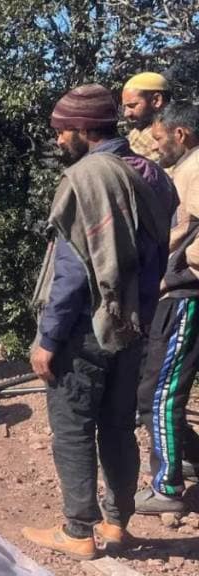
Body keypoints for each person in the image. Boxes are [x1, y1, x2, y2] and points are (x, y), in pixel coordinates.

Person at [22, 84, 169, 560]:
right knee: (118, 427)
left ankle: (77, 530)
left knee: (73, 426)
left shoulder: (87, 178)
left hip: (86, 326)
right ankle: (115, 524)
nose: (59, 140)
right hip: (134, 324)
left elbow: (72, 270)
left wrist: (48, 338)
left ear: (84, 129)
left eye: (63, 131)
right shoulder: (155, 175)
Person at [134, 101, 199, 516]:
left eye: (159, 139)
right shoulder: (188, 167)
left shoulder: (194, 169)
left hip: (186, 294)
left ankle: (168, 487)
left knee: (160, 393)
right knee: (162, 389)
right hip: (183, 291)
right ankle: (187, 458)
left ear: (180, 134)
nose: (156, 148)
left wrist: (158, 262)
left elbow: (190, 225)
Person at [122, 72, 171, 163]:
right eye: (125, 107)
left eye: (132, 105)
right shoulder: (135, 134)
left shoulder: (174, 138)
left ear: (156, 100)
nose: (126, 113)